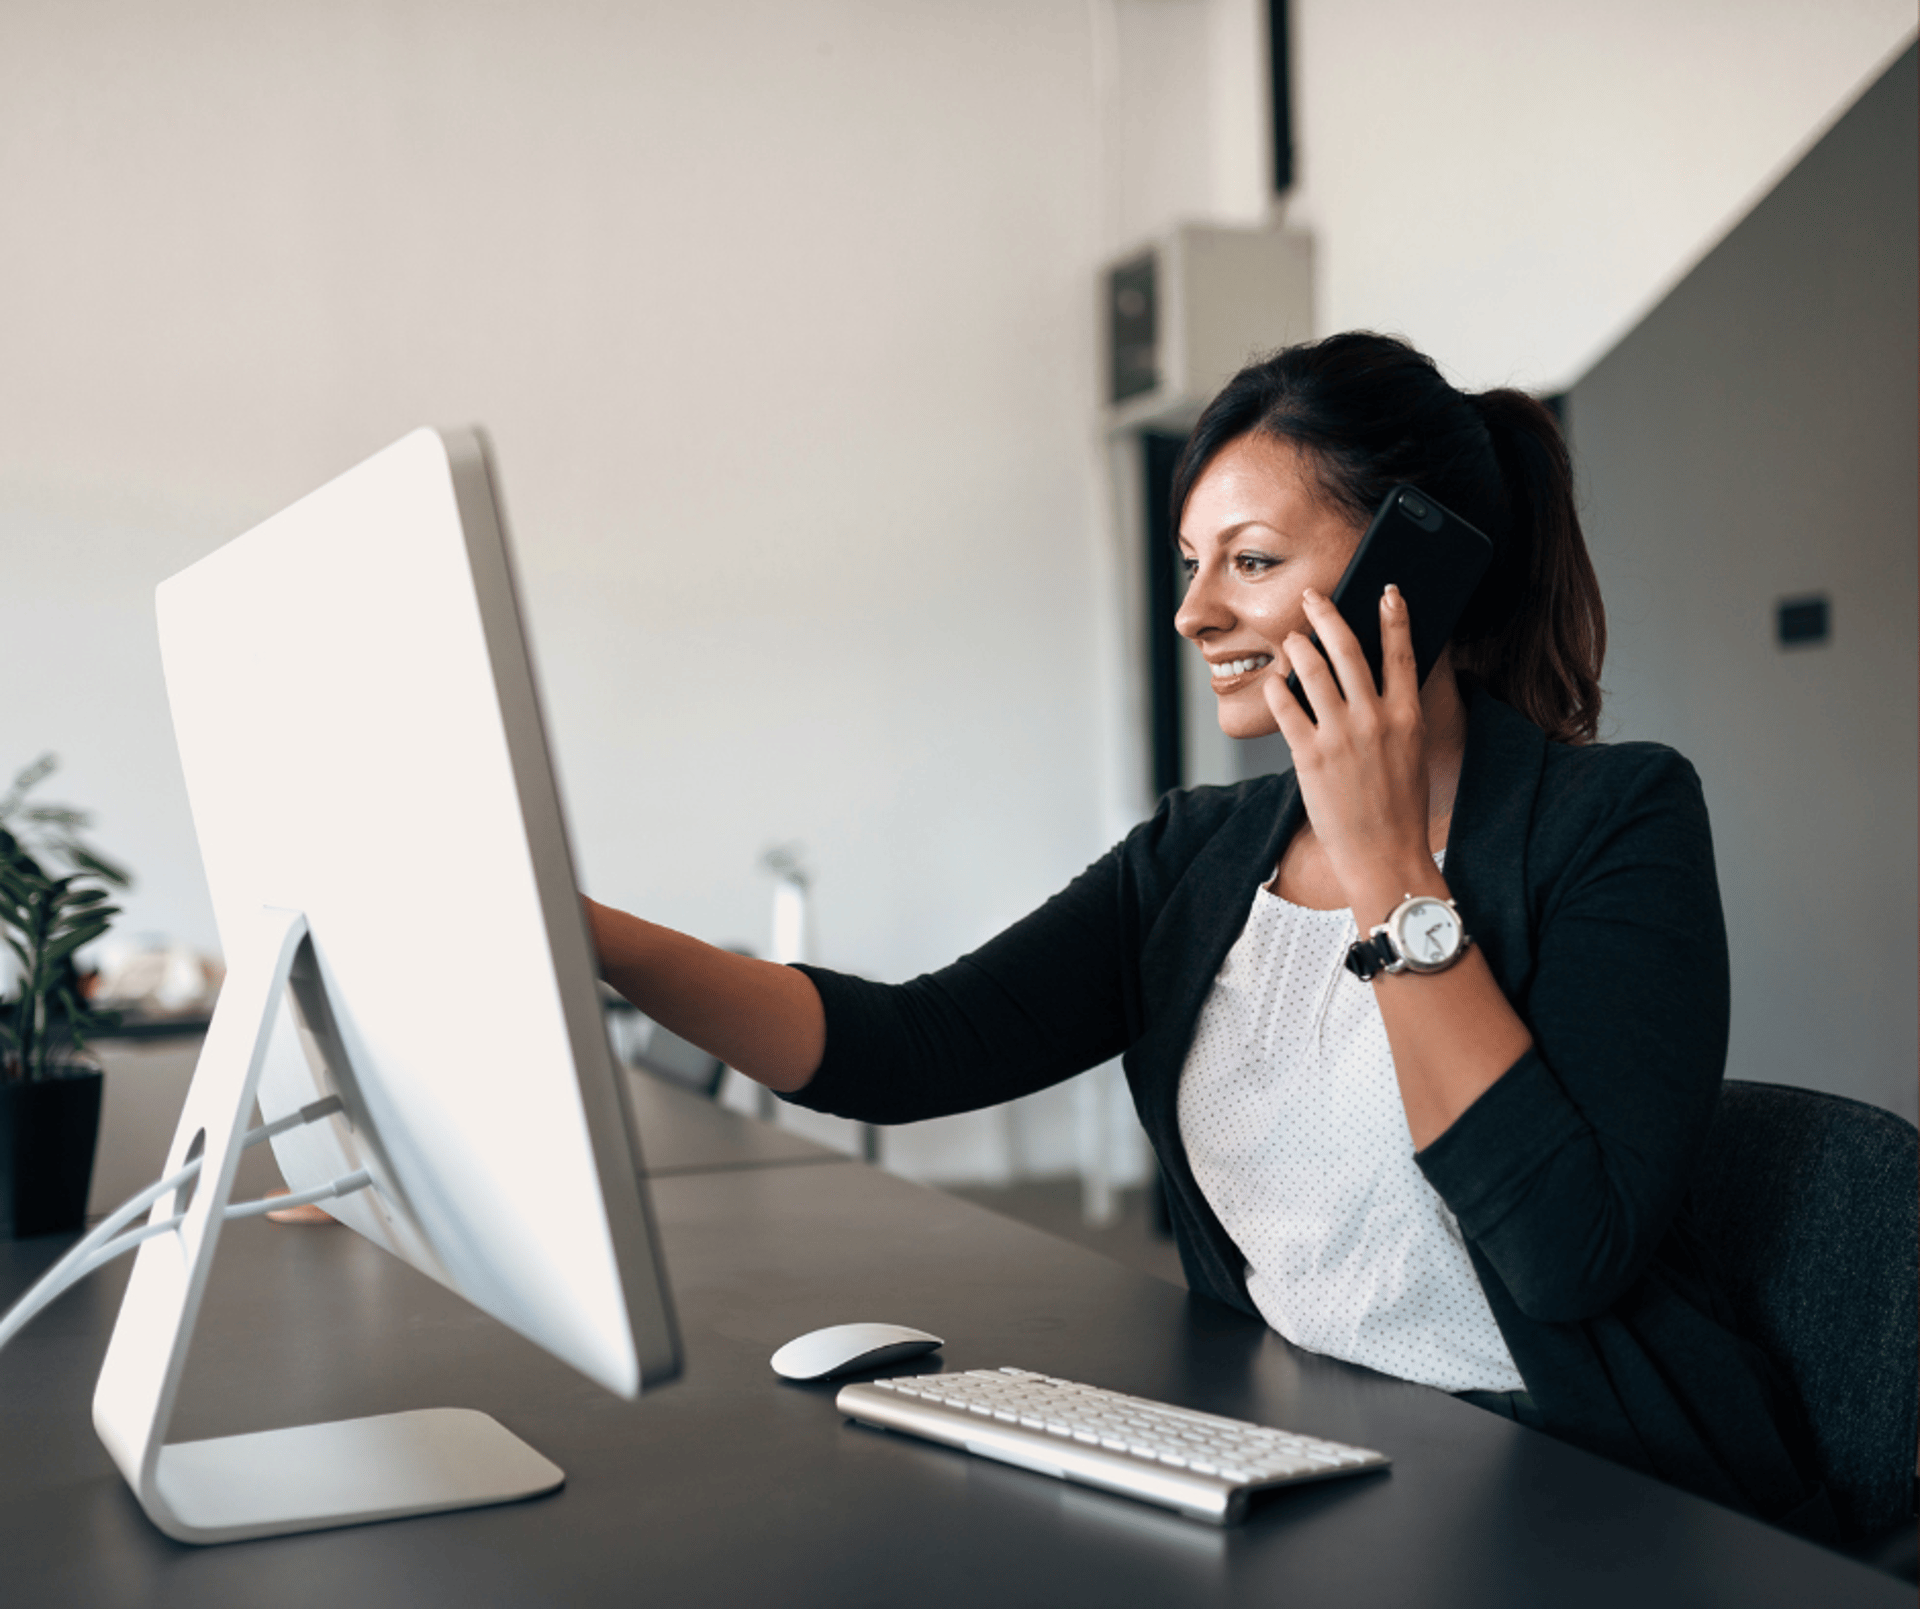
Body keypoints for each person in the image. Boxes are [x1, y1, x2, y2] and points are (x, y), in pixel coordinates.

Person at [586, 331, 1830, 1536]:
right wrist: (589, 937)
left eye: (1249, 561)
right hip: (1317, 1459)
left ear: (1415, 573)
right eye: (1191, 564)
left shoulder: (1618, 821)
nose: (1193, 614)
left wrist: (1390, 866)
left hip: (1590, 1489)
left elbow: (1564, 1257)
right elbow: (907, 1048)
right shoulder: (1195, 858)